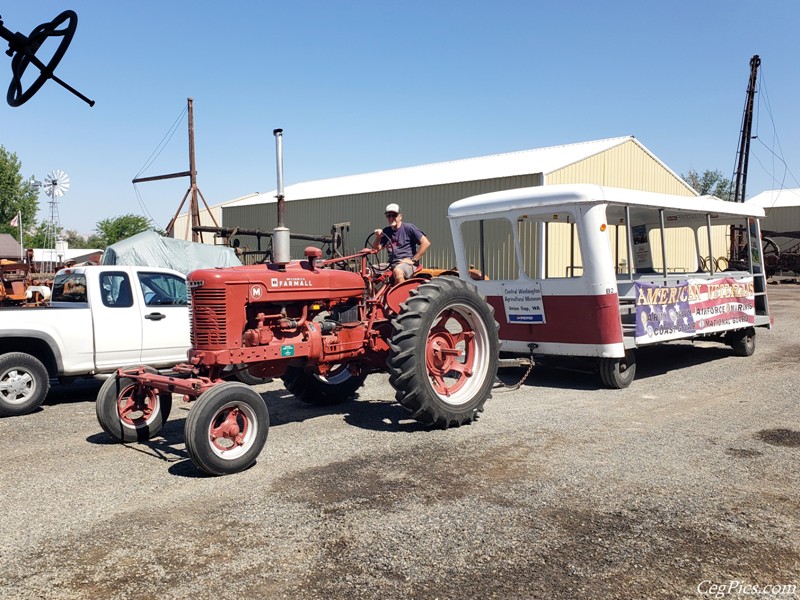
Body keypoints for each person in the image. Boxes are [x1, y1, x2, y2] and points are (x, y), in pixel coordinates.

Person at [372, 203, 430, 283]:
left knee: (397, 271)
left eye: (394, 215)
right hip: (391, 263)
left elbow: (426, 243)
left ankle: (401, 295)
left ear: (400, 216)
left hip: (408, 264)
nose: (391, 218)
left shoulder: (409, 228)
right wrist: (378, 237)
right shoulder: (386, 231)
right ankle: (372, 295)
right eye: (389, 216)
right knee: (367, 272)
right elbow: (375, 249)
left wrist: (413, 260)